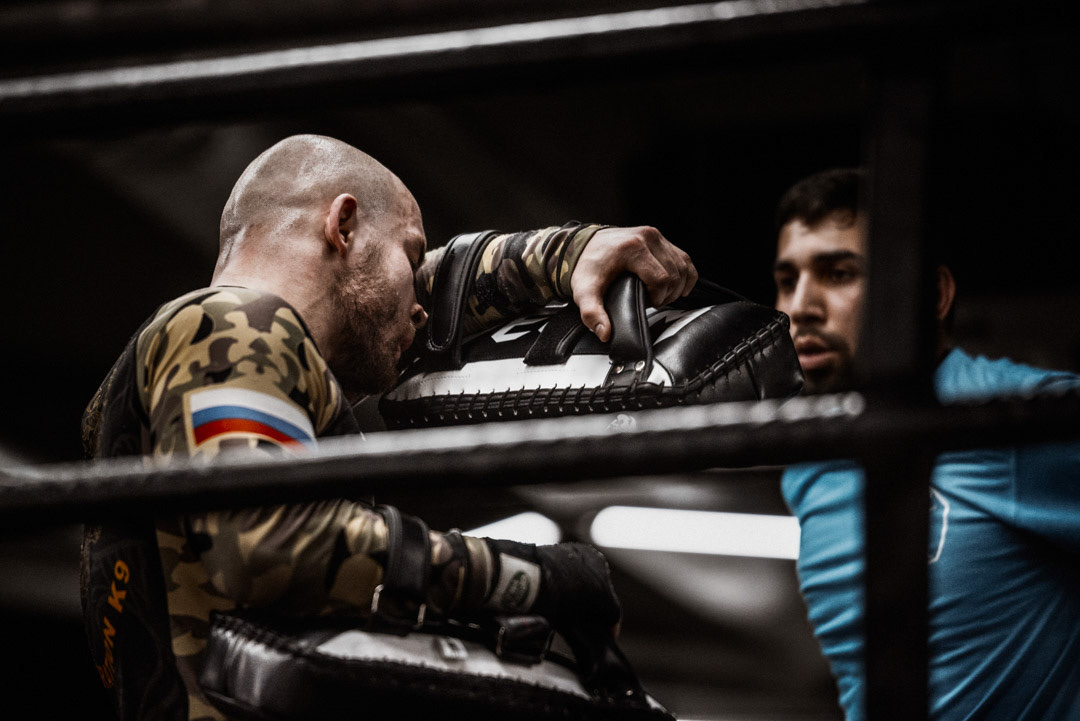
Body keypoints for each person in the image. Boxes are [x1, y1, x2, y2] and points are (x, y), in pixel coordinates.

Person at [80, 133, 698, 721]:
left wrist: (568, 254)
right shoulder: (230, 321)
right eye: (410, 254)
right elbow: (266, 542)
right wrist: (529, 578)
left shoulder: (203, 353)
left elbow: (421, 297)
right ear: (343, 225)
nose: (421, 305)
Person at [772, 168, 1080, 719]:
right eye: (787, 279)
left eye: (839, 273)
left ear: (933, 295)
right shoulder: (810, 458)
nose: (800, 306)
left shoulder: (1014, 415)